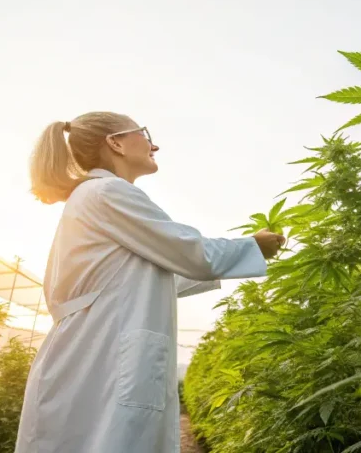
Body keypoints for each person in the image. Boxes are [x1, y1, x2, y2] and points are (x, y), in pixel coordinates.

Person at [16, 111, 284, 452]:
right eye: (143, 133)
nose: (154, 144)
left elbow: (143, 278)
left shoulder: (95, 198)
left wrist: (237, 257)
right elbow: (189, 250)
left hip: (93, 357)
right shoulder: (105, 192)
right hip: (97, 360)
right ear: (115, 142)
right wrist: (252, 247)